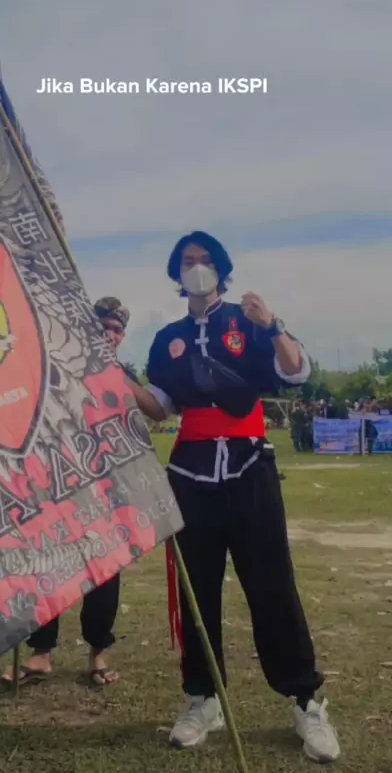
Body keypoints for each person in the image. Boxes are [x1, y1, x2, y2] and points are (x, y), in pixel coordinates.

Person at [131, 231, 340, 762]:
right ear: (177, 273)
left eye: (205, 261)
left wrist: (274, 326)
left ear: (221, 270)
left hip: (250, 467)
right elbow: (159, 405)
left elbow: (296, 371)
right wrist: (112, 375)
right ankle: (203, 699)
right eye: (188, 261)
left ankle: (305, 700)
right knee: (196, 591)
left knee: (272, 585)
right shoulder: (168, 337)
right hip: (190, 472)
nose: (197, 268)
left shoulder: (248, 321)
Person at [2, 296, 138, 687]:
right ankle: (41, 652)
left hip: (106, 485)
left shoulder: (125, 375)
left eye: (116, 329)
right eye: (102, 326)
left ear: (122, 335)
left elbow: (144, 419)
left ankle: (98, 651)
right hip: (58, 483)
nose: (109, 334)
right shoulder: (56, 366)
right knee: (48, 565)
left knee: (104, 570)